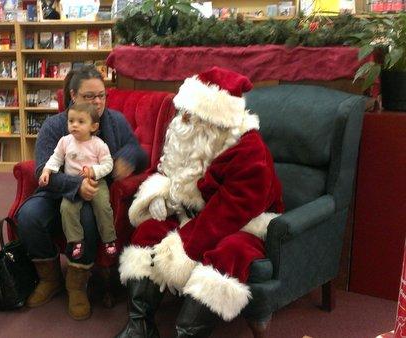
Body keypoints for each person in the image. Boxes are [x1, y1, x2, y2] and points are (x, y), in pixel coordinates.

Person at [116, 67, 285, 337]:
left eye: (189, 115)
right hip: (194, 216)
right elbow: (172, 173)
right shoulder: (190, 136)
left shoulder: (250, 151)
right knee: (148, 231)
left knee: (229, 255)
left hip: (244, 224)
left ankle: (188, 332)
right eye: (182, 111)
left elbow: (230, 212)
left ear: (213, 121)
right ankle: (141, 325)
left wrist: (182, 246)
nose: (181, 120)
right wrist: (162, 196)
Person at [16, 64, 148, 320]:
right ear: (73, 96)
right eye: (90, 96)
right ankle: (50, 278)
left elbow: (138, 152)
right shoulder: (55, 126)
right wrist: (75, 185)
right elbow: (42, 169)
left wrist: (127, 158)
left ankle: (77, 285)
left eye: (101, 95)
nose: (98, 102)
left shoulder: (115, 121)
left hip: (96, 196)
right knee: (28, 217)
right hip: (56, 194)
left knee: (87, 219)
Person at [38, 101, 117, 260]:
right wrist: (47, 170)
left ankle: (109, 239)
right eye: (71, 121)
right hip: (72, 184)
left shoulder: (98, 145)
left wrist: (94, 171)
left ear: (93, 127)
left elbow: (108, 164)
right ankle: (75, 241)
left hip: (96, 182)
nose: (74, 125)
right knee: (66, 209)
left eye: (81, 122)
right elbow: (56, 158)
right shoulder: (65, 141)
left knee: (103, 206)